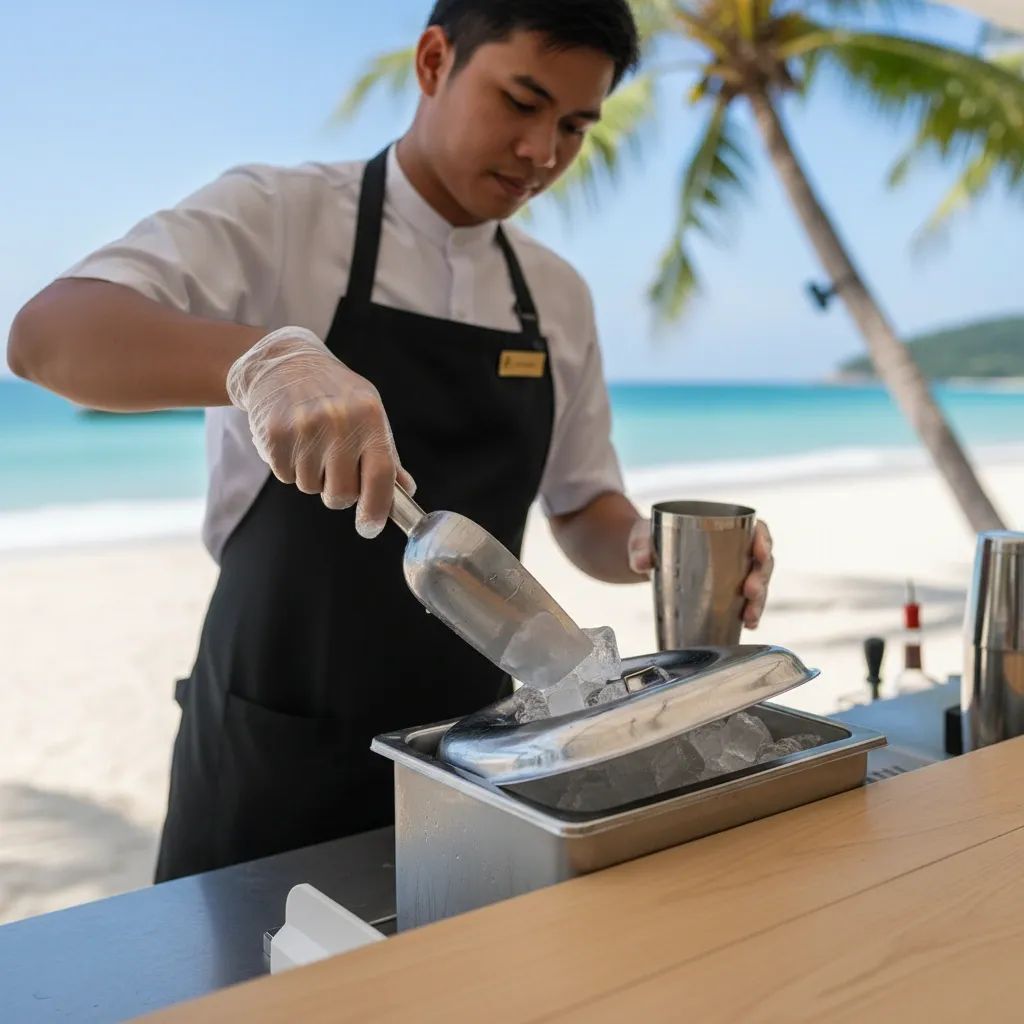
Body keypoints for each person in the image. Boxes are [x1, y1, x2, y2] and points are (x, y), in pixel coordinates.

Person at [7, 0, 774, 881]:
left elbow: (583, 507)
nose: (542, 153)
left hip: (475, 756)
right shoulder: (281, 216)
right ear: (435, 60)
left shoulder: (557, 296)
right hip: (271, 747)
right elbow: (46, 336)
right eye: (520, 102)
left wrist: (645, 545)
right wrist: (265, 360)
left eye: (573, 125)